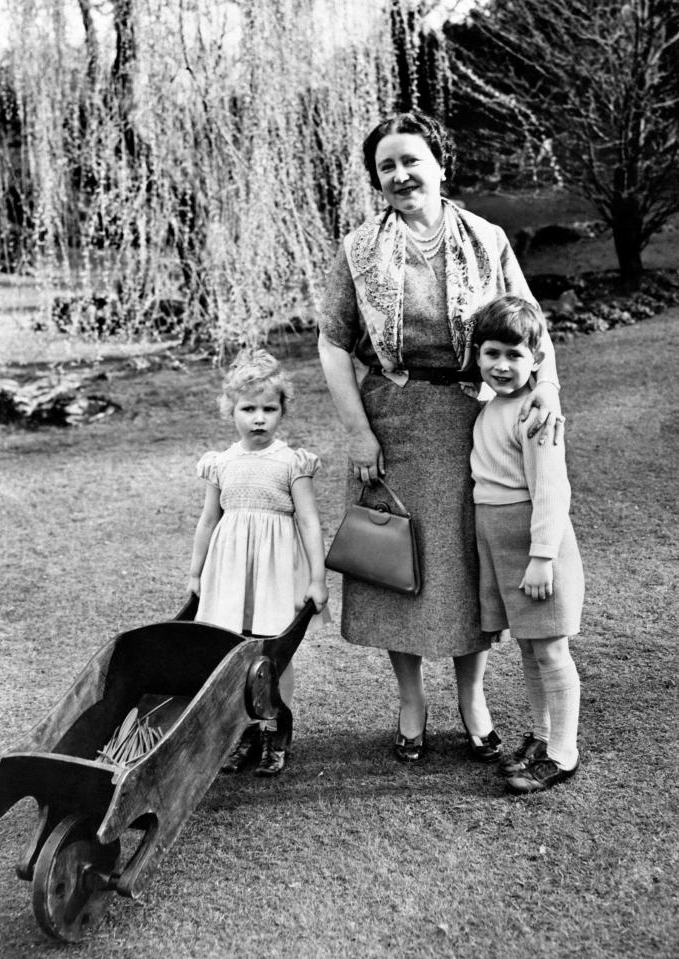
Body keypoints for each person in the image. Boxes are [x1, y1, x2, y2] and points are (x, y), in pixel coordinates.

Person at [317, 109, 563, 763]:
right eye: (386, 166)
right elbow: (333, 342)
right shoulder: (359, 249)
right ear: (377, 179)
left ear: (438, 165)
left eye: (410, 160)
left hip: (468, 423)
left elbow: (531, 327)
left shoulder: (486, 238)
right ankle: (410, 702)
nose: (400, 174)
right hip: (389, 429)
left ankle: (473, 699)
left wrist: (547, 406)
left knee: (460, 569)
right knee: (395, 564)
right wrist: (357, 431)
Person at [188, 349, 330, 776]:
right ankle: (243, 730)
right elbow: (209, 520)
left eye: (269, 409)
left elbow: (308, 522)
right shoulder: (221, 464)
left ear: (282, 411)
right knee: (235, 653)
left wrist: (318, 578)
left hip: (275, 573)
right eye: (248, 408)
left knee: (274, 654)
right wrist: (196, 573)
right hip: (231, 571)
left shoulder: (292, 463)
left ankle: (275, 730)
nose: (259, 418)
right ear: (230, 409)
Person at [470, 295, 584, 793]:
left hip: (536, 547)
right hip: (500, 541)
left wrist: (542, 558)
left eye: (516, 355)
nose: (502, 365)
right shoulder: (492, 407)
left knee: (552, 650)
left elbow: (552, 492)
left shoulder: (537, 415)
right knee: (531, 649)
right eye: (492, 352)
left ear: (537, 360)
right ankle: (542, 736)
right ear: (478, 356)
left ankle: (563, 752)